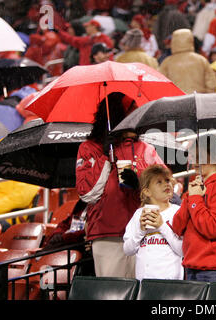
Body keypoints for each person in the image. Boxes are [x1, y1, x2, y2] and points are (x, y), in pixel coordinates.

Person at [75, 91, 165, 278]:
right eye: (132, 113)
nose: (138, 118)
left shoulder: (145, 148)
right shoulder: (90, 148)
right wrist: (104, 157)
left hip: (143, 233)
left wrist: (140, 184)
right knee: (111, 293)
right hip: (107, 235)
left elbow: (166, 192)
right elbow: (88, 194)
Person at [171, 134, 216, 282]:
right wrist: (191, 198)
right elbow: (177, 227)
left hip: (214, 271)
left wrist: (195, 200)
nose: (195, 162)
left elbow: (213, 228)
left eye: (201, 156)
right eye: (193, 156)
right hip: (192, 267)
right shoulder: (198, 186)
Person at [123, 164, 183, 280]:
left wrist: (162, 226)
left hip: (171, 284)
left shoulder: (178, 212)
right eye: (159, 182)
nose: (166, 184)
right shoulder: (139, 214)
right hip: (143, 284)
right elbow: (127, 250)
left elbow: (183, 251)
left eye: (167, 180)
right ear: (147, 191)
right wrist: (140, 231)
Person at [159, 28, 216, 94]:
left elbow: (161, 84)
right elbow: (211, 83)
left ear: (173, 41)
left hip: (175, 100)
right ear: (191, 40)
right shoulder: (201, 60)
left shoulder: (166, 62)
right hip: (197, 99)